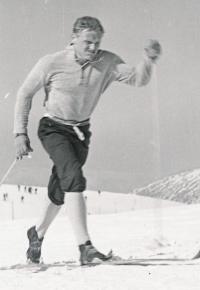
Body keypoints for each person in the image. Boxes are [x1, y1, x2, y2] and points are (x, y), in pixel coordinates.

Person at [14, 16, 161, 265]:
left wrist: (148, 60)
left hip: (81, 132)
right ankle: (86, 247)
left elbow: (138, 78)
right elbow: (25, 93)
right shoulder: (51, 62)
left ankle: (36, 235)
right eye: (88, 42)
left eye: (97, 42)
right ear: (74, 39)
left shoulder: (107, 61)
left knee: (61, 190)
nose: (93, 47)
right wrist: (20, 133)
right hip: (53, 129)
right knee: (73, 176)